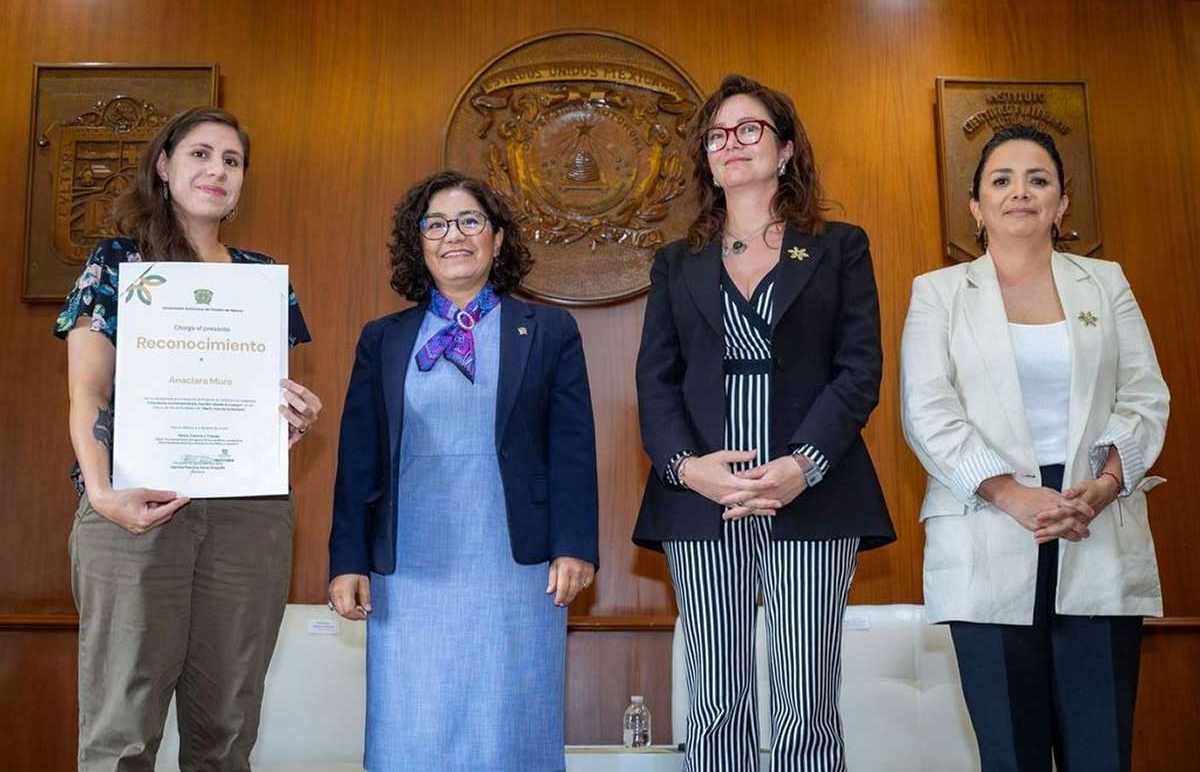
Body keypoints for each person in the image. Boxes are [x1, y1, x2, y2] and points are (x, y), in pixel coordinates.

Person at [633, 73, 895, 772]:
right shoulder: (675, 262)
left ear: (785, 150)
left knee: (806, 701)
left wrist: (803, 464)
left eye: (749, 129)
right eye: (717, 135)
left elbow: (858, 370)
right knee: (715, 701)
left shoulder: (839, 246)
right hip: (702, 500)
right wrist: (688, 469)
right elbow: (655, 381)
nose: (732, 143)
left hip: (813, 492)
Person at [56, 107, 322, 770]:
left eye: (232, 161)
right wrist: (102, 493)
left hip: (247, 517)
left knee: (227, 731)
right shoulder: (118, 262)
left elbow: (257, 400)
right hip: (133, 507)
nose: (217, 170)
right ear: (164, 165)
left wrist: (288, 423)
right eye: (200, 154)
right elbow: (88, 391)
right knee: (121, 732)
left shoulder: (263, 279)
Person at [900, 124, 1170, 772]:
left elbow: (1145, 394)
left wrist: (1106, 485)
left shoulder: (1105, 282)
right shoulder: (938, 292)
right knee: (1010, 754)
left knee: (1101, 752)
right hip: (987, 526)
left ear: (1061, 201)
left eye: (1038, 179)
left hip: (1092, 521)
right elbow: (927, 409)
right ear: (976, 206)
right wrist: (1009, 493)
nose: (1020, 192)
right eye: (1002, 180)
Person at [327, 171, 599, 772]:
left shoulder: (549, 331)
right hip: (409, 568)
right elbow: (358, 458)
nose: (454, 235)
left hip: (516, 566)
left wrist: (575, 545)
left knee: (508, 723)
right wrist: (347, 560)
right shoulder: (383, 339)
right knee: (413, 724)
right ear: (419, 243)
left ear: (497, 240)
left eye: (470, 221)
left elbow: (572, 447)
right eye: (436, 224)